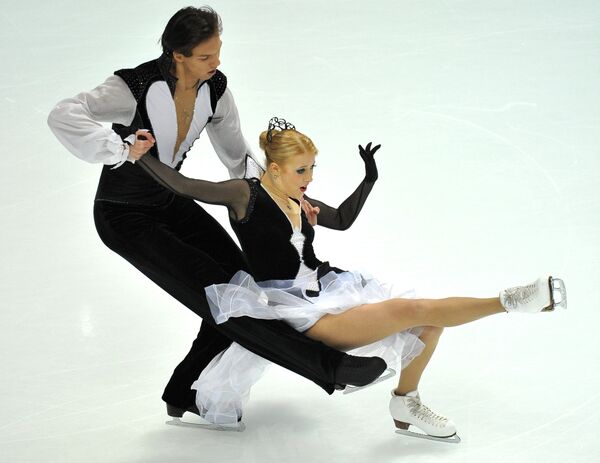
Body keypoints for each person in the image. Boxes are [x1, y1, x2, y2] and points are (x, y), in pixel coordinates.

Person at [46, 6, 387, 422]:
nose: (216, 63)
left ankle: (183, 389)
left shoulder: (215, 89)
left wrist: (285, 197)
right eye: (206, 57)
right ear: (178, 54)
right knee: (220, 296)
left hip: (171, 202)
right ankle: (329, 367)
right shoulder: (132, 86)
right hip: (124, 217)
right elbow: (63, 113)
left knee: (244, 283)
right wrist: (119, 150)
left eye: (218, 53)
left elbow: (237, 157)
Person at [135, 117, 567, 441]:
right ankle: (511, 301)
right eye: (302, 170)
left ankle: (406, 404)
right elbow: (185, 185)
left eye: (313, 169)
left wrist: (368, 179)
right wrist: (141, 157)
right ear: (275, 167)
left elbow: (340, 219)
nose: (310, 179)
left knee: (426, 325)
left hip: (328, 287)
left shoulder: (294, 196)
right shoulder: (244, 193)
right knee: (412, 311)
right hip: (294, 309)